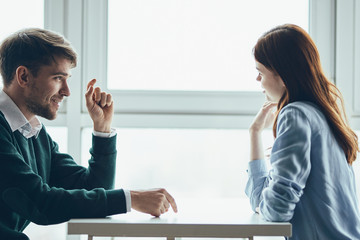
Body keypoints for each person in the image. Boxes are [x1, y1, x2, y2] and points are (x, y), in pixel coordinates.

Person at [0, 28, 177, 240]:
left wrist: (101, 129)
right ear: (23, 76)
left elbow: (93, 188)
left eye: (67, 79)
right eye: (58, 78)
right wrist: (131, 199)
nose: (67, 91)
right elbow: (40, 203)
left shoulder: (32, 131)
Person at [245, 24, 360, 239]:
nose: (258, 80)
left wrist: (267, 200)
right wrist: (255, 132)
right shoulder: (324, 114)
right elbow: (262, 201)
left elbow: (276, 209)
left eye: (260, 72)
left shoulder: (295, 115)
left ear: (282, 74)